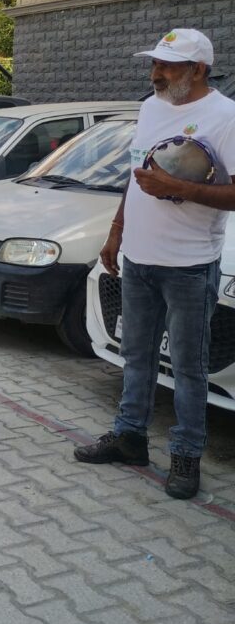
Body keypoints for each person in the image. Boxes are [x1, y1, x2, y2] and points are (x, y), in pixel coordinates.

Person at [75, 28, 235, 499]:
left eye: (167, 65)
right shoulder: (150, 107)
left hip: (190, 264)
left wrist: (179, 188)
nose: (156, 73)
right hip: (138, 258)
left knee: (188, 367)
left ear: (198, 70)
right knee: (136, 355)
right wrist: (116, 231)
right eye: (155, 63)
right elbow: (136, 175)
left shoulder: (226, 116)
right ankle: (130, 438)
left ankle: (186, 455)